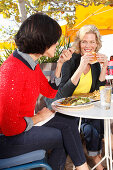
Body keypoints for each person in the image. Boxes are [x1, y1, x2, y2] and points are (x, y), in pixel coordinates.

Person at [0, 13, 89, 170]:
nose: (56, 44)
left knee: (68, 124)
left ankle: (81, 167)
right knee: (64, 136)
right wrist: (37, 117)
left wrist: (60, 64)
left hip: (23, 126)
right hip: (7, 139)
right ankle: (82, 167)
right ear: (42, 40)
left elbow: (49, 92)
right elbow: (9, 126)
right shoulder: (12, 68)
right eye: (54, 40)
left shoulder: (30, 64)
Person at [45, 24, 108, 170]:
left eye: (92, 42)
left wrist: (104, 67)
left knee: (95, 123)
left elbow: (97, 92)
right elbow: (62, 93)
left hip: (83, 107)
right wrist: (81, 66)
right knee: (74, 126)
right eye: (84, 41)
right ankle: (93, 160)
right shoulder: (70, 60)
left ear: (97, 44)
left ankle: (95, 157)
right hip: (64, 106)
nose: (88, 45)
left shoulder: (95, 64)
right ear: (79, 43)